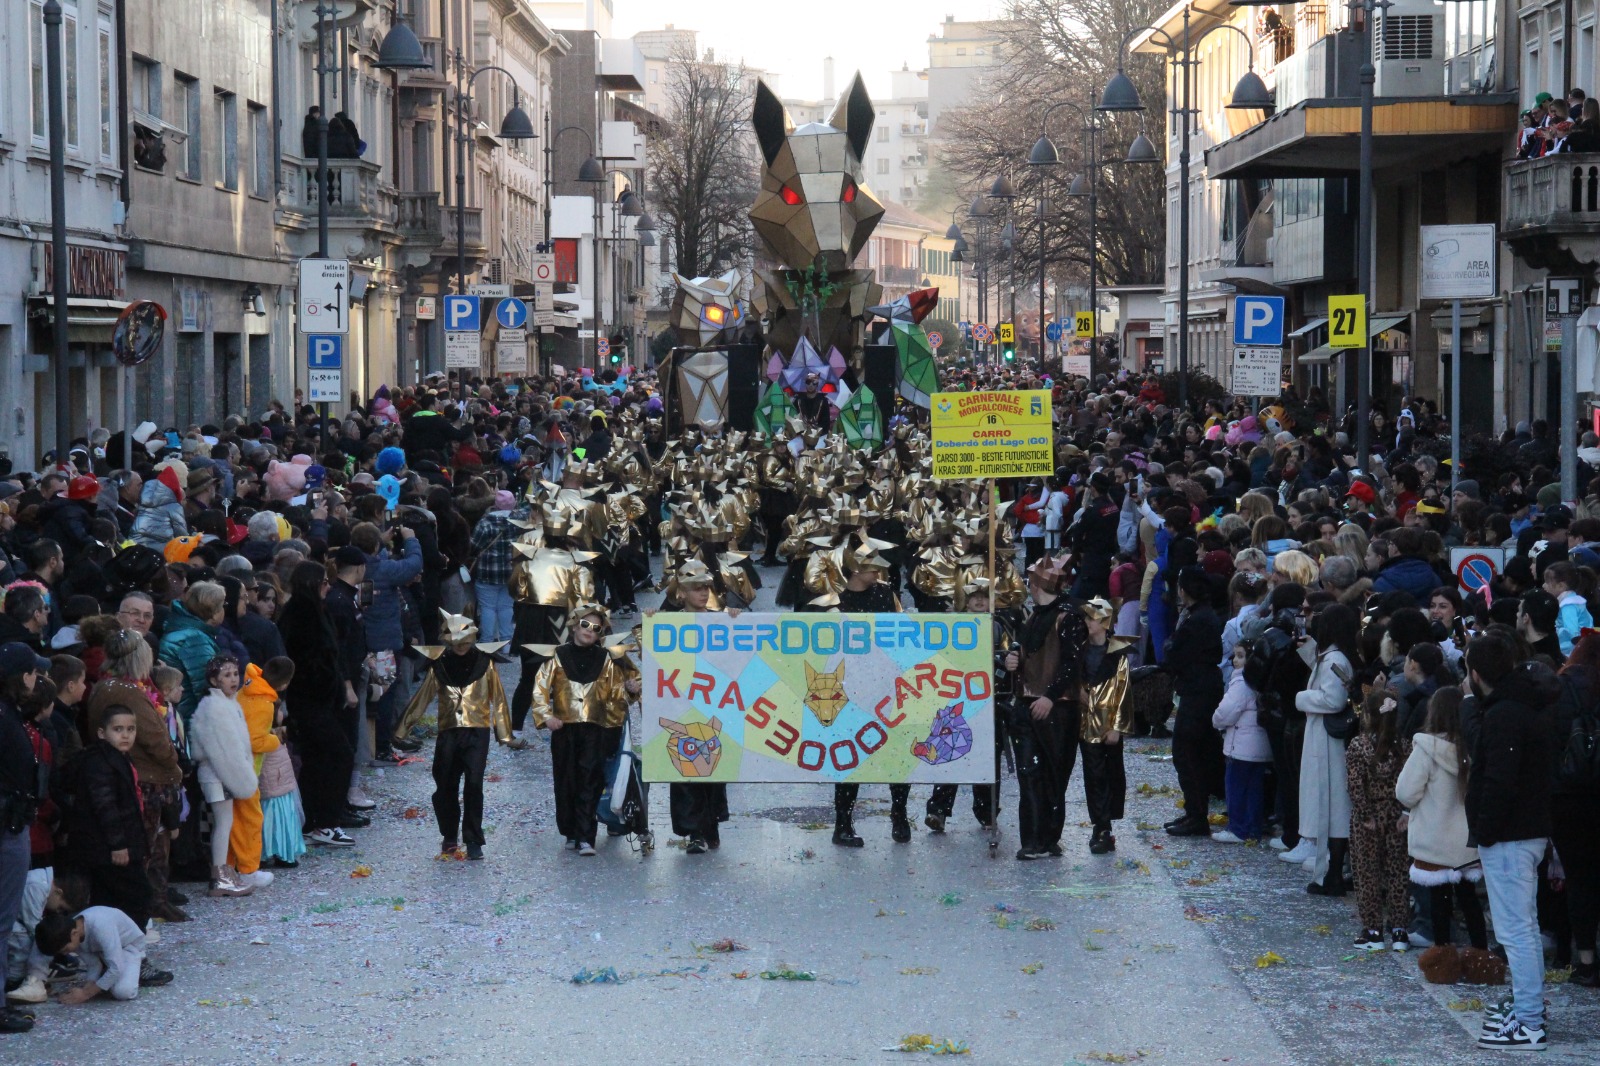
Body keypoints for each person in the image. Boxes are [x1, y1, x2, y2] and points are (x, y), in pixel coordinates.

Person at [1465, 633, 1552, 1052]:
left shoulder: (1504, 715)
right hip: (1525, 831)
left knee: (1516, 930)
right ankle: (1527, 1007)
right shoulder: (1526, 706)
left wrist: (1484, 830)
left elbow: (1499, 779)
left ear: (1476, 673)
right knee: (1524, 928)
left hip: (1509, 836)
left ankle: (1530, 1021)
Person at [396, 611, 518, 860]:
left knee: (474, 783)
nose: (460, 646)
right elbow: (422, 698)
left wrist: (504, 733)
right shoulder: (439, 665)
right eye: (455, 642)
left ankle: (473, 839)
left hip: (477, 732)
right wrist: (401, 730)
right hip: (449, 733)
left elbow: (500, 699)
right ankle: (449, 834)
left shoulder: (486, 664)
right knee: (445, 785)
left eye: (465, 641)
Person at [86, 631, 184, 923]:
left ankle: (150, 906)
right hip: (143, 779)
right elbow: (155, 738)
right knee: (146, 851)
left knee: (147, 851)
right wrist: (174, 761)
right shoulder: (127, 692)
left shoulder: (103, 686)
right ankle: (142, 915)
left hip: (130, 774)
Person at [529, 603, 640, 856]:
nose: (590, 630)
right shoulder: (556, 657)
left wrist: (629, 694)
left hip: (595, 728)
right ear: (575, 625)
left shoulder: (606, 660)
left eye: (596, 627)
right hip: (564, 728)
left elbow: (614, 694)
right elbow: (540, 689)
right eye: (585, 625)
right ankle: (570, 831)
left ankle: (585, 835)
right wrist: (547, 716)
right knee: (565, 779)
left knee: (590, 778)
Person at [1395, 685, 1486, 950]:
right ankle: (1481, 955)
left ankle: (1442, 957)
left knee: (1439, 900)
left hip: (1434, 838)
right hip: (1467, 841)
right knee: (1469, 900)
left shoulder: (1426, 748)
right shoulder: (1473, 747)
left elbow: (1405, 792)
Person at [277, 561, 359, 848]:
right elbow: (308, 657)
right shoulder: (302, 614)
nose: (328, 587)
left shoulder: (310, 610)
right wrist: (327, 680)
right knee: (338, 755)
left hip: (317, 701)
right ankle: (325, 820)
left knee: (319, 760)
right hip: (310, 701)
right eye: (324, 582)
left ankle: (319, 821)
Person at [58, 705, 153, 931]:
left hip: (109, 845)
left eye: (131, 729)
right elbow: (105, 806)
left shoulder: (116, 758)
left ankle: (115, 953)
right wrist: (118, 844)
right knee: (136, 896)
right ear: (102, 733)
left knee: (111, 898)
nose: (125, 735)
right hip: (108, 847)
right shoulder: (100, 762)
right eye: (118, 729)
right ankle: (130, 953)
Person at [0, 643, 49, 1034]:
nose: (38, 678)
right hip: (7, 825)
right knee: (3, 918)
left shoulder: (10, 714)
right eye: (34, 672)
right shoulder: (6, 719)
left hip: (11, 821)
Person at [666, 561, 730, 854]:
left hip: (715, 703)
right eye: (696, 588)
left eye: (706, 587)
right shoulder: (669, 624)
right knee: (686, 766)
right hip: (682, 703)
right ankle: (694, 832)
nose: (703, 593)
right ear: (682, 592)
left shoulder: (721, 620)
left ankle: (710, 824)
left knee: (712, 764)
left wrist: (735, 621)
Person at [1296, 602, 1359, 897]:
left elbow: (1332, 699)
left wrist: (1301, 698)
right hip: (1323, 737)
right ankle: (1332, 871)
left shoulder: (1335, 658)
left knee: (1330, 805)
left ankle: (1332, 873)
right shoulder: (1335, 657)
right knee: (1332, 805)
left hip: (1327, 741)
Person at [1345, 687, 1412, 951]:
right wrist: (1404, 811)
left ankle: (1373, 930)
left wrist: (1364, 814)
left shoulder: (1358, 746)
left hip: (1369, 817)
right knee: (1397, 873)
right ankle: (1399, 930)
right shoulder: (1405, 746)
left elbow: (1355, 785)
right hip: (1396, 815)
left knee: (1367, 873)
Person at [189, 657, 259, 898]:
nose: (234, 679)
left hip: (221, 774)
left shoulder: (228, 704)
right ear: (213, 680)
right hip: (217, 774)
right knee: (222, 824)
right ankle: (219, 877)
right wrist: (242, 778)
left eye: (235, 674)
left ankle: (223, 872)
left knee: (224, 824)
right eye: (227, 675)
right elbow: (224, 750)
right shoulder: (215, 707)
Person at [1164, 567, 1226, 837]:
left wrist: (1171, 648)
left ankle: (1197, 814)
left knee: (1187, 752)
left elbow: (1177, 653)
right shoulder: (1201, 615)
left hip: (1198, 690)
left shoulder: (1198, 619)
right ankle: (1194, 810)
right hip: (1201, 687)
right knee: (1193, 752)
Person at [33, 904, 169, 1003]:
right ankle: (108, 975)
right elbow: (92, 964)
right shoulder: (72, 931)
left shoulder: (100, 927)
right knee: (107, 979)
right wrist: (89, 985)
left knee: (123, 992)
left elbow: (116, 967)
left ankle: (141, 963)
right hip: (103, 951)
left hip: (127, 946)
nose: (67, 953)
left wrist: (86, 994)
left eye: (65, 950)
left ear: (74, 934)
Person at [1212, 640, 1272, 842]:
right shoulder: (1261, 681)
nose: (1235, 660)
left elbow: (1225, 713)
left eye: (1240, 656)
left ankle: (1238, 828)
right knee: (1254, 790)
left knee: (1236, 788)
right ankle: (1253, 827)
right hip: (1259, 745)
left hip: (1241, 746)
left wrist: (1216, 721)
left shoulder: (1241, 684)